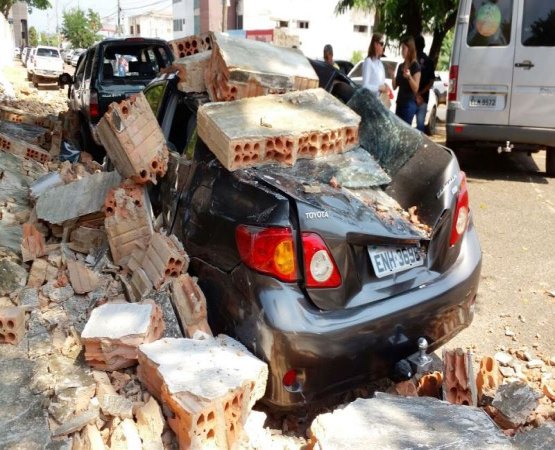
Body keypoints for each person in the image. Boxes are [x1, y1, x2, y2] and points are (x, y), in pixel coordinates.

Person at [393, 35, 421, 125]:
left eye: (404, 48)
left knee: (404, 131)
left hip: (409, 104)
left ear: (410, 50)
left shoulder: (415, 66)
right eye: (401, 48)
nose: (402, 51)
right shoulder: (401, 66)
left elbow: (416, 88)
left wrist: (409, 77)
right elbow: (394, 86)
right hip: (400, 103)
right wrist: (392, 76)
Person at [414, 35, 436, 132]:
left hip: (411, 97)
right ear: (424, 45)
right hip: (423, 98)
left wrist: (416, 94)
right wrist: (421, 93)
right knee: (420, 126)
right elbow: (431, 81)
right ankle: (420, 146)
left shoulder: (412, 61)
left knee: (406, 125)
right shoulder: (429, 61)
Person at [362, 33, 387, 98]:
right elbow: (365, 86)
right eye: (381, 44)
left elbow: (380, 83)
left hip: (378, 100)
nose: (383, 47)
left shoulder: (380, 63)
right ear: (375, 44)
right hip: (370, 102)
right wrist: (378, 88)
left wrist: (385, 87)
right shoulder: (368, 61)